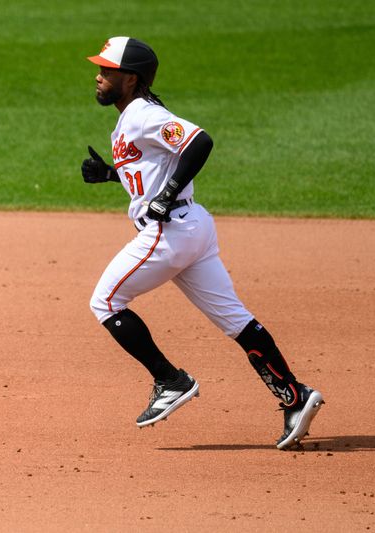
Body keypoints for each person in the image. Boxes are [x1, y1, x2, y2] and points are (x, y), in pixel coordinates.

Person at [80, 36, 324, 450]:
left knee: (105, 302)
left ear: (131, 78)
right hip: (193, 228)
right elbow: (150, 170)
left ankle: (170, 380)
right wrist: (109, 175)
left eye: (107, 71)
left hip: (170, 232)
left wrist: (166, 194)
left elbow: (199, 142)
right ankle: (294, 396)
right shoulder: (129, 121)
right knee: (236, 321)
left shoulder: (141, 113)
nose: (98, 76)